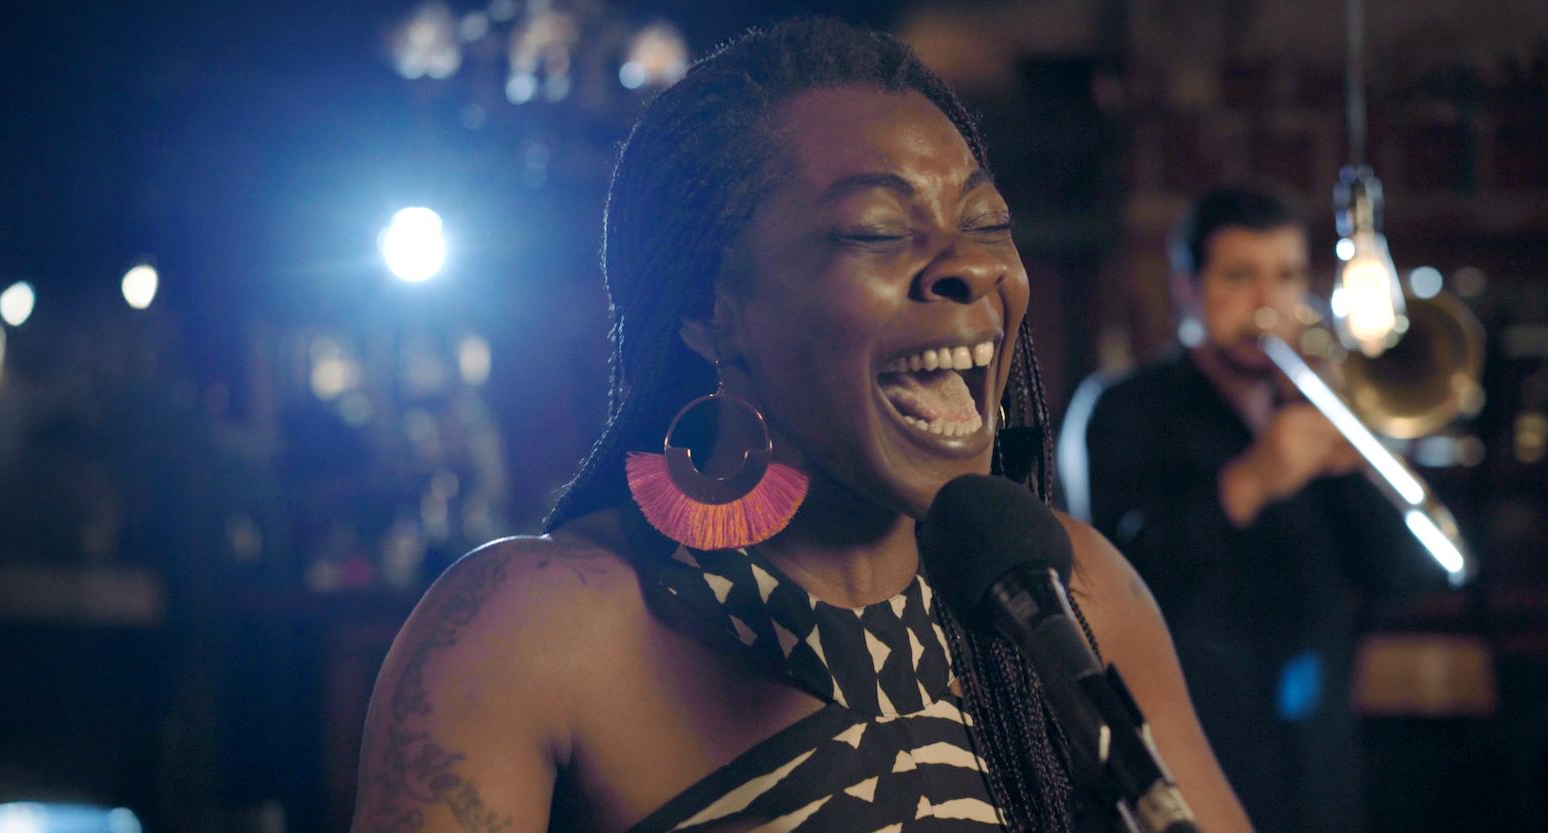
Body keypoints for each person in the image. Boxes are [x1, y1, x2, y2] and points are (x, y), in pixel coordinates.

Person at [349, 20, 1252, 833]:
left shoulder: (1071, 591)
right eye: (875, 229)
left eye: (986, 222)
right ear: (711, 311)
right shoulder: (525, 631)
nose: (970, 269)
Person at [1060, 189, 1441, 833]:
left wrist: (1363, 466)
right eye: (1240, 276)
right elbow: (1108, 587)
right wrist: (1253, 479)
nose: (1267, 302)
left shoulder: (1320, 409)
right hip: (1179, 777)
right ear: (1186, 287)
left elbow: (1408, 575)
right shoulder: (1122, 408)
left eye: (1286, 276)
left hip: (1318, 780)